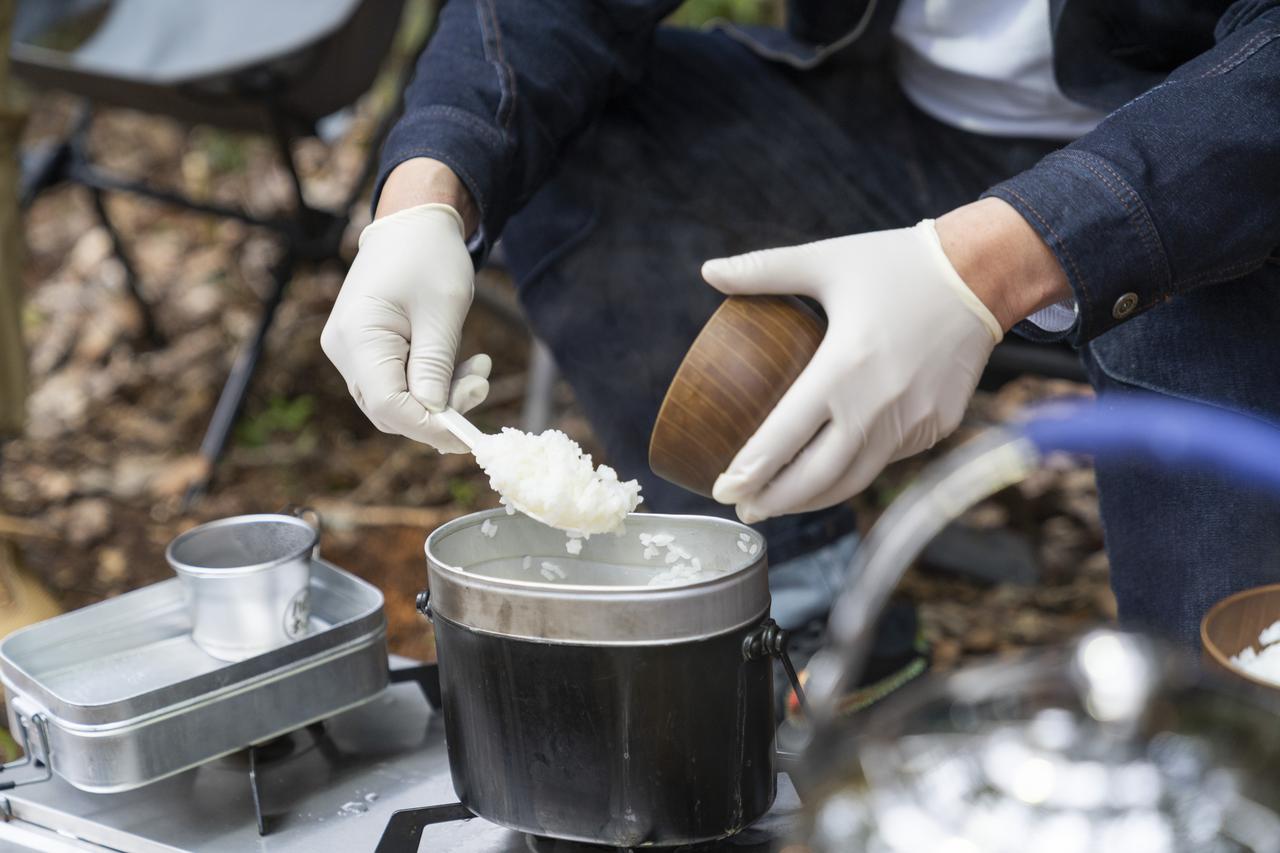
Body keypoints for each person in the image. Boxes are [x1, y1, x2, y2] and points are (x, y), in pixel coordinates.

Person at [323, 0, 1280, 651]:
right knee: (606, 136)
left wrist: (990, 262)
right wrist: (426, 196)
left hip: (1219, 173)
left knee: (1225, 701)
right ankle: (811, 635)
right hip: (905, 128)